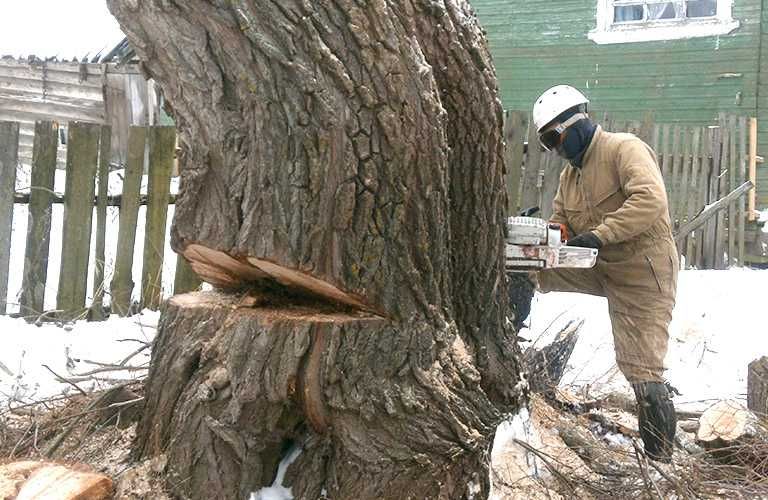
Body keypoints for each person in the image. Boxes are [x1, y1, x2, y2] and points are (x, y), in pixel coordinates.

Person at [531, 85, 679, 463]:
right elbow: (561, 221)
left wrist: (599, 235)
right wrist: (542, 239)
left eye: (553, 138)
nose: (555, 149)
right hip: (596, 264)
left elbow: (650, 199)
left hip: (642, 269)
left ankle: (660, 462)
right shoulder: (570, 177)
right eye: (547, 144)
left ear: (576, 122)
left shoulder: (623, 148)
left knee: (641, 370)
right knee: (526, 268)